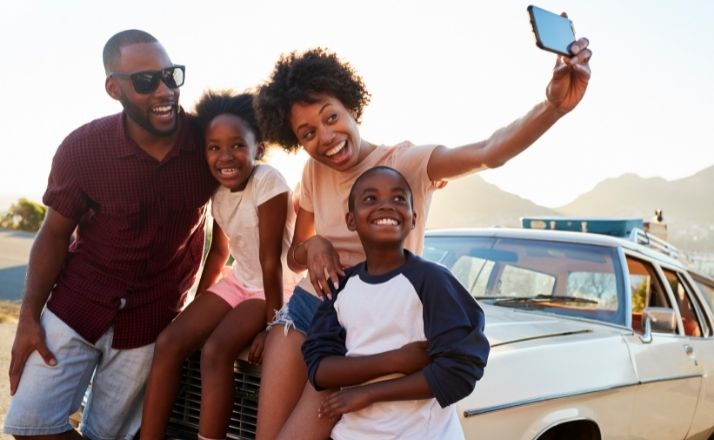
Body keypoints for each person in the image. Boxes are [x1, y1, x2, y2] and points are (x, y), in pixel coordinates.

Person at [254, 39, 591, 439]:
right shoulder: (313, 171)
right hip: (306, 311)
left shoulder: (405, 163)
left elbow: (489, 151)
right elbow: (294, 256)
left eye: (331, 118)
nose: (325, 137)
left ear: (350, 105)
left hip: (362, 331)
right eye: (307, 133)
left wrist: (552, 106)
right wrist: (313, 245)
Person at [4, 29, 217, 439]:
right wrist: (29, 317)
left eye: (170, 76)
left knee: (108, 434)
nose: (164, 91)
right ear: (113, 87)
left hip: (151, 316)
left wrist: (198, 308)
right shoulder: (83, 149)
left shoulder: (207, 143)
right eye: (145, 81)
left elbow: (224, 227)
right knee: (30, 425)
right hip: (76, 303)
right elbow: (52, 235)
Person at [140, 91, 300, 439]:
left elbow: (270, 260)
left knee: (215, 351)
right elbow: (218, 252)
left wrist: (273, 327)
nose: (225, 156)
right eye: (214, 147)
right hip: (238, 280)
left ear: (257, 148)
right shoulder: (217, 190)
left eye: (237, 146)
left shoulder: (268, 181)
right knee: (169, 342)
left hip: (273, 288)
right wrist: (198, 306)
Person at [302, 166, 489, 439]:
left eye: (399, 198)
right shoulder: (342, 287)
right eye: (370, 199)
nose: (386, 206)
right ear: (351, 220)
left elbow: (460, 370)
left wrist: (368, 393)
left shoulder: (432, 280)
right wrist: (395, 360)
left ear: (413, 218)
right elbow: (319, 369)